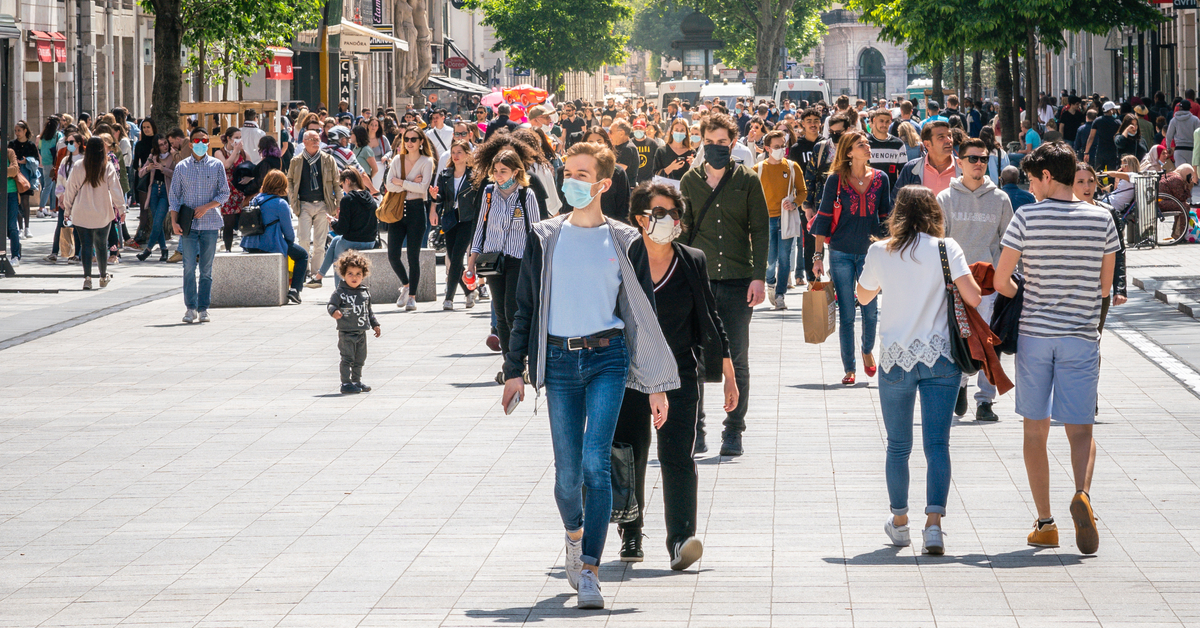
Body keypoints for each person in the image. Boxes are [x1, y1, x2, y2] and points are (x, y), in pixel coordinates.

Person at [501, 142, 678, 610]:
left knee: (595, 463)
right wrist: (513, 370)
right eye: (567, 172)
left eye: (582, 174)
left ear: (602, 183)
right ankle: (574, 536)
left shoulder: (625, 239)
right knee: (566, 474)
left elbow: (644, 313)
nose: (571, 181)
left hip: (607, 357)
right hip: (558, 362)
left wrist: (656, 382)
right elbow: (524, 307)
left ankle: (591, 571)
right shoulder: (544, 236)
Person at [994, 142, 1120, 556]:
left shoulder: (1026, 217)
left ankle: (1045, 523)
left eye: (1034, 177)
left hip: (1035, 335)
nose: (1031, 185)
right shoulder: (1102, 218)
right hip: (1081, 335)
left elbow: (1001, 281)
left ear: (1048, 175)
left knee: (1035, 430)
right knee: (1080, 429)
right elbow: (1105, 288)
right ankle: (1082, 494)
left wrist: (1024, 294)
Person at [612, 181, 737, 567]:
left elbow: (710, 316)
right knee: (630, 452)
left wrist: (728, 371)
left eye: (674, 214)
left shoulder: (691, 259)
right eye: (660, 213)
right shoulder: (621, 260)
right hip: (629, 371)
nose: (669, 221)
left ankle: (681, 540)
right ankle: (631, 533)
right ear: (640, 218)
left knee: (678, 455)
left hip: (680, 370)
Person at [857, 185, 982, 556]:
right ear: (934, 213)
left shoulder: (880, 250)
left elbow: (862, 295)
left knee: (898, 446)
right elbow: (973, 296)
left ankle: (899, 523)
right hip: (941, 357)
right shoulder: (947, 249)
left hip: (895, 358)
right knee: (937, 445)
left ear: (898, 213)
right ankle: (933, 526)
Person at [679, 112, 769, 457]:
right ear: (701, 142)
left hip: (736, 280)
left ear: (733, 143)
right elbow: (683, 234)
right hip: (699, 282)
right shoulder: (689, 181)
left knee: (738, 358)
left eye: (722, 142)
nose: (716, 147)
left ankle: (734, 430)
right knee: (696, 357)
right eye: (710, 142)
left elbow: (760, 230)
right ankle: (696, 429)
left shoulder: (747, 179)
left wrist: (759, 277)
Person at [938, 137, 1014, 421]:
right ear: (959, 162)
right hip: (955, 284)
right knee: (958, 339)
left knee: (988, 342)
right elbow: (938, 241)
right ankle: (960, 385)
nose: (979, 163)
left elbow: (1009, 243)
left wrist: (1005, 280)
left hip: (989, 284)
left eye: (983, 158)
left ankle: (986, 401)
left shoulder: (1000, 199)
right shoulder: (945, 198)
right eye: (973, 158)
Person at [812, 130, 892, 386]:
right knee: (846, 312)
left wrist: (890, 249)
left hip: (872, 255)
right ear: (849, 152)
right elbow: (823, 217)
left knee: (870, 310)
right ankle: (849, 368)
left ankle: (867, 349)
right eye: (861, 144)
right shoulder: (835, 180)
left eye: (867, 143)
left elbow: (886, 218)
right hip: (840, 253)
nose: (868, 147)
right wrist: (817, 257)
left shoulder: (881, 178)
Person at [469, 147, 542, 384]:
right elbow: (480, 227)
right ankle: (510, 365)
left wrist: (538, 263)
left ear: (516, 171)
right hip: (493, 259)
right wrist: (471, 261)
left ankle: (522, 363)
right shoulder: (489, 193)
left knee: (514, 311)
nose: (499, 175)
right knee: (499, 314)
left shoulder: (525, 195)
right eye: (496, 171)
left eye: (504, 171)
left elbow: (536, 230)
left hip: (519, 259)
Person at [171, 127, 231, 324]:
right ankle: (190, 308)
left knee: (206, 269)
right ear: (190, 143)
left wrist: (207, 206)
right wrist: (174, 221)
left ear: (209, 142)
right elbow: (174, 196)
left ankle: (204, 307)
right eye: (197, 141)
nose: (200, 144)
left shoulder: (216, 166)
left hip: (210, 224)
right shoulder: (181, 167)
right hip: (189, 225)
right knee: (188, 267)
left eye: (204, 140)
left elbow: (224, 193)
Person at [60, 136, 125, 290]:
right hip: (103, 212)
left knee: (86, 245)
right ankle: (103, 276)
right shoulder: (107, 166)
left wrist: (67, 210)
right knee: (102, 245)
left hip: (82, 212)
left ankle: (87, 278)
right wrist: (121, 209)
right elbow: (116, 190)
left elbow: (70, 190)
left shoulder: (78, 166)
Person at [383, 125, 435, 311]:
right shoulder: (398, 159)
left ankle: (412, 296)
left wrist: (402, 183)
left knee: (414, 255)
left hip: (416, 209)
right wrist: (411, 184)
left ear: (421, 141)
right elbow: (390, 186)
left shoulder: (427, 161)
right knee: (393, 255)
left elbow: (423, 190)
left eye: (414, 139)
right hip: (397, 209)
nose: (410, 143)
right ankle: (405, 285)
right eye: (407, 139)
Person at [238, 170, 308, 304]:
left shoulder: (255, 199)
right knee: (302, 255)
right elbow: (289, 234)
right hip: (270, 244)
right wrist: (287, 242)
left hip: (250, 244)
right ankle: (294, 290)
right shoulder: (280, 204)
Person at [754, 130, 806, 310]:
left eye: (783, 145)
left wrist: (795, 203)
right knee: (770, 260)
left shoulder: (792, 167)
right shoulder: (758, 169)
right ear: (767, 148)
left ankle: (780, 294)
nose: (781, 149)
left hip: (786, 219)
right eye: (777, 147)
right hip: (766, 220)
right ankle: (770, 282)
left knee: (785, 259)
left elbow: (803, 191)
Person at [430, 140, 480, 309]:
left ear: (467, 154)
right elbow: (441, 198)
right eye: (453, 152)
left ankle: (449, 298)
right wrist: (434, 196)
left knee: (457, 257)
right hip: (451, 219)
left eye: (459, 152)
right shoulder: (446, 174)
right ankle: (468, 292)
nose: (456, 156)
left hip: (468, 219)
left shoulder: (474, 175)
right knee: (453, 259)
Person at [287, 130, 341, 284]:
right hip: (303, 204)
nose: (316, 141)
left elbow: (337, 183)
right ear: (304, 142)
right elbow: (289, 180)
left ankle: (316, 274)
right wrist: (293, 200)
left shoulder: (328, 159)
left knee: (320, 242)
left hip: (323, 205)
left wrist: (339, 203)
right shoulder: (296, 161)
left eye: (318, 139)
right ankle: (303, 271)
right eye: (312, 139)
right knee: (303, 239)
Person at [327, 250, 381, 395]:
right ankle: (346, 383)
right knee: (347, 358)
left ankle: (356, 381)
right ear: (343, 274)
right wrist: (334, 312)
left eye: (358, 274)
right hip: (346, 332)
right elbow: (331, 305)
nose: (354, 277)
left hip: (361, 333)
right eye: (350, 273)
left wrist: (375, 324)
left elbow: (368, 311)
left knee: (360, 359)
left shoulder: (364, 292)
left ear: (363, 275)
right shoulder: (340, 292)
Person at [554, 127, 630, 222]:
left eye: (582, 175)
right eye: (590, 142)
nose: (595, 145)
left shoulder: (618, 173)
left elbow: (623, 207)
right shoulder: (564, 171)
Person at [894, 120, 960, 200]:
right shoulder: (911, 169)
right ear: (927, 144)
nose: (948, 140)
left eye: (949, 135)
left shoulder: (964, 168)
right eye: (941, 137)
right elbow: (896, 202)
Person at [135, 136, 176, 262]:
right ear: (157, 147)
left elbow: (176, 174)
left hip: (165, 191)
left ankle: (148, 249)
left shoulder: (173, 156)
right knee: (156, 221)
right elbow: (140, 173)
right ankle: (164, 249)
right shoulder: (152, 156)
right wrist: (149, 168)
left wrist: (163, 169)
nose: (165, 146)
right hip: (153, 190)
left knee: (158, 221)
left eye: (166, 143)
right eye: (161, 144)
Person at [214, 126, 247, 252]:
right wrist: (235, 151)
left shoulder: (243, 153)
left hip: (241, 192)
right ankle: (228, 248)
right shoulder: (219, 152)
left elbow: (251, 168)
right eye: (236, 138)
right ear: (228, 139)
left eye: (240, 138)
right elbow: (226, 165)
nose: (238, 140)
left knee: (244, 221)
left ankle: (246, 246)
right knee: (228, 222)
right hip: (227, 192)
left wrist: (248, 178)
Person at [9, 121, 38, 239]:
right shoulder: (12, 144)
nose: (17, 133)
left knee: (25, 201)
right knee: (17, 202)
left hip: (26, 177)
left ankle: (27, 228)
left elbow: (37, 161)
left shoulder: (31, 145)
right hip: (15, 177)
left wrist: (28, 161)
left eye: (19, 130)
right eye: (15, 131)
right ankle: (19, 228)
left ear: (25, 130)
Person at [867, 108, 908, 188]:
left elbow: (903, 172)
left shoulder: (898, 144)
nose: (884, 125)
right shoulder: (866, 143)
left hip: (891, 192)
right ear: (874, 120)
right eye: (881, 121)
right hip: (869, 192)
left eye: (887, 122)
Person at [1085, 102, 1122, 170]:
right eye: (1114, 109)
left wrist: (1086, 152)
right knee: (1112, 174)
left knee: (1098, 173)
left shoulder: (1097, 121)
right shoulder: (1117, 122)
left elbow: (1091, 137)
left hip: (1100, 151)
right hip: (1113, 151)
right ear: (1111, 110)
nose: (1115, 111)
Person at [37, 117, 62, 218]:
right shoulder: (58, 135)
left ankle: (41, 208)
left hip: (46, 163)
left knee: (47, 186)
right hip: (56, 163)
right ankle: (53, 209)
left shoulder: (43, 136)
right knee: (55, 186)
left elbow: (40, 148)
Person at [1165, 99, 1200, 166]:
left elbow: (1169, 136)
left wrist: (1168, 148)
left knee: (1180, 174)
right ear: (1189, 109)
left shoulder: (1174, 120)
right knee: (1192, 174)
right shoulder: (1195, 120)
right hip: (1192, 151)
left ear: (1180, 108)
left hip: (1179, 151)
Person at [350, 125, 380, 195]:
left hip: (364, 184)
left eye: (352, 134)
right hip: (356, 182)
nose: (350, 136)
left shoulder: (366, 150)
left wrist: (367, 179)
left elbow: (375, 169)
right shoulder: (355, 149)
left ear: (357, 135)